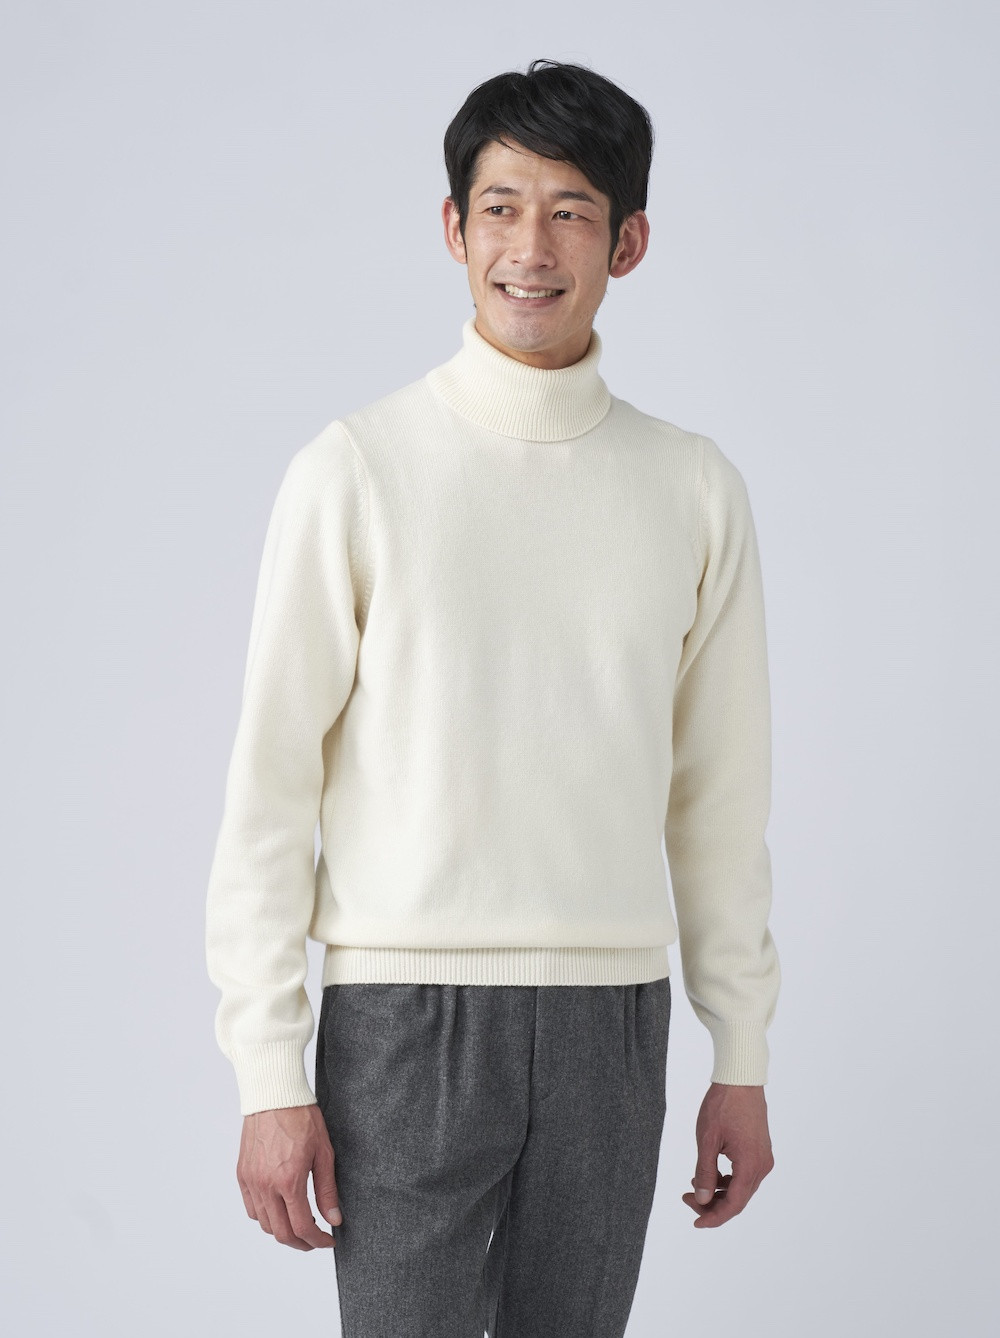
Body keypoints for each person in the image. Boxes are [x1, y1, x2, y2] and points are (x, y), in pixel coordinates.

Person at [205, 57, 780, 1337]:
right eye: (502, 207)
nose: (532, 246)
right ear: (453, 230)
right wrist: (267, 1074)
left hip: (612, 1021)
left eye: (571, 211)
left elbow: (720, 801)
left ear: (626, 244)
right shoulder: (356, 470)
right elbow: (270, 790)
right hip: (403, 1019)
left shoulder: (692, 488)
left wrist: (739, 1054)